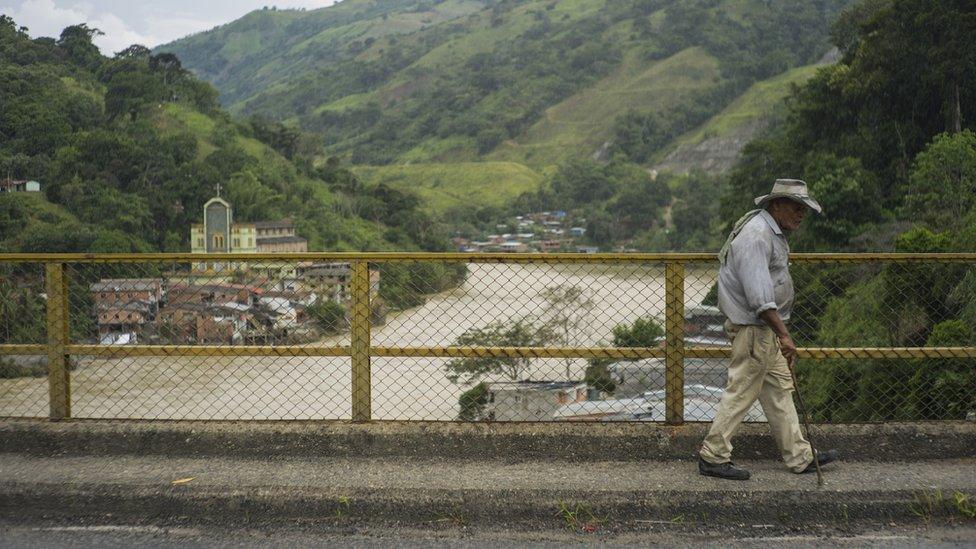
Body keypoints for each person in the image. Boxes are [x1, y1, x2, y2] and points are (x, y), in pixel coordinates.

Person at [698, 179, 839, 481]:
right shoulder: (758, 235)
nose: (800, 214)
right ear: (776, 205)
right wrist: (784, 334)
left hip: (765, 331)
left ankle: (799, 456)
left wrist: (779, 332)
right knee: (742, 391)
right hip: (755, 329)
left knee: (779, 391)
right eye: (795, 207)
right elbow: (760, 298)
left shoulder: (768, 231)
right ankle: (713, 455)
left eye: (803, 209)